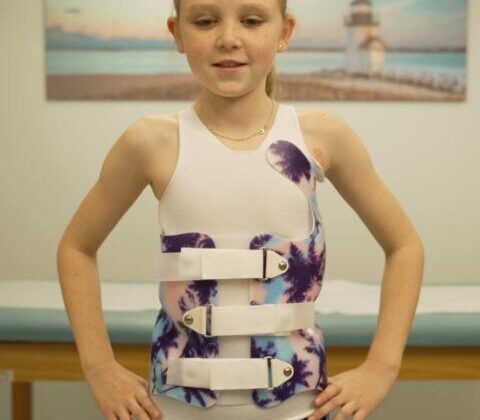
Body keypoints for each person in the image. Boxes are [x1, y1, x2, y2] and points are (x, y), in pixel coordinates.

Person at [56, 0, 425, 419]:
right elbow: (76, 248)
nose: (228, 39)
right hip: (175, 409)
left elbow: (405, 246)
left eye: (251, 21)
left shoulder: (321, 137)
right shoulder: (150, 142)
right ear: (177, 33)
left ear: (284, 32)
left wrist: (381, 367)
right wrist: (99, 367)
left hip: (299, 409)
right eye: (205, 21)